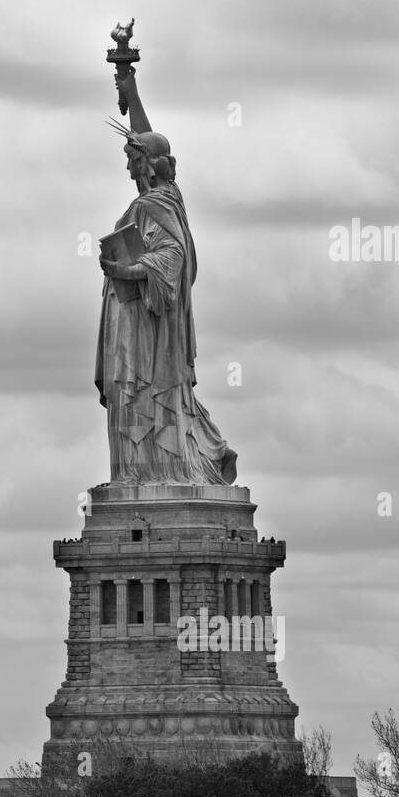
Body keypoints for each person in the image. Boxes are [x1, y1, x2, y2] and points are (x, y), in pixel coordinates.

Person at [95, 71, 237, 486]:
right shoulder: (159, 198)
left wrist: (127, 270)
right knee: (128, 392)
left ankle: (150, 473)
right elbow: (147, 135)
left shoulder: (159, 204)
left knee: (136, 391)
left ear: (146, 164)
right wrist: (129, 85)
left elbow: (171, 258)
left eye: (132, 159)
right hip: (135, 319)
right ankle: (135, 474)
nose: (126, 165)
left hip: (148, 332)